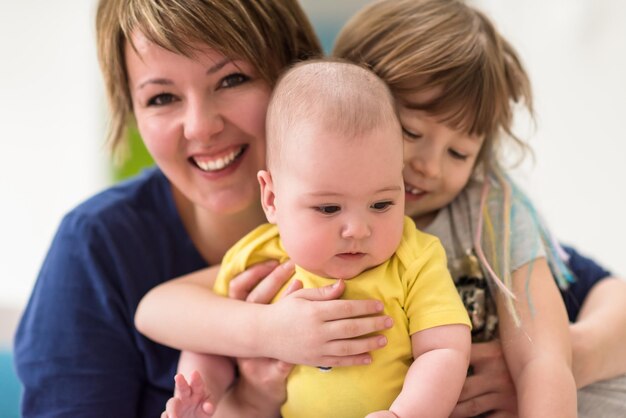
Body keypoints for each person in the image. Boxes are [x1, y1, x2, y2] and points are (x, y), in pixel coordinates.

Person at [12, 1, 397, 417]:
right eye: (161, 97)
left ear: (297, 71)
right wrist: (250, 396)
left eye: (232, 79)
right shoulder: (96, 246)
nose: (200, 126)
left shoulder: (388, 216)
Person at [332, 0, 626, 416]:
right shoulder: (312, 197)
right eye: (410, 131)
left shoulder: (490, 211)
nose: (428, 166)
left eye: (458, 152)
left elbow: (543, 358)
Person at [159, 59, 472, 418]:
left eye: (382, 203)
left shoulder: (414, 258)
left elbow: (444, 350)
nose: (358, 228)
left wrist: (406, 414)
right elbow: (211, 342)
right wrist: (202, 393)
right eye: (328, 209)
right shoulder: (257, 258)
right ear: (273, 199)